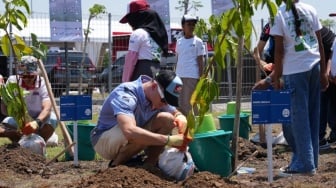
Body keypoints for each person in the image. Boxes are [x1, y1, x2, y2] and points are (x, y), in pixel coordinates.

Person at [254, 0, 328, 176]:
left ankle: (304, 165)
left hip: (295, 71)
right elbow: (319, 44)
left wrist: (276, 77)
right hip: (314, 67)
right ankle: (311, 162)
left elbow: (279, 51)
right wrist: (323, 73)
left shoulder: (278, 14)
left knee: (298, 119)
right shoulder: (310, 9)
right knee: (312, 117)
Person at [90, 70, 190, 167]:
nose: (165, 104)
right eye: (164, 100)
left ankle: (150, 165)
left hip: (128, 134)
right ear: (154, 86)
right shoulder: (126, 94)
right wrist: (168, 140)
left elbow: (174, 112)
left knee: (167, 119)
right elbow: (130, 132)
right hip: (104, 140)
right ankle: (116, 166)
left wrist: (180, 117)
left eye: (169, 101)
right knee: (134, 133)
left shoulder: (157, 95)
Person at [0, 56, 57, 143]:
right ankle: (19, 143)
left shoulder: (43, 82)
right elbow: (4, 109)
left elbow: (47, 107)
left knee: (53, 119)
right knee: (6, 124)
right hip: (19, 119)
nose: (27, 79)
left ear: (36, 74)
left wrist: (37, 122)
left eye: (30, 76)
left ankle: (40, 142)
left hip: (39, 118)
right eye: (24, 76)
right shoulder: (12, 81)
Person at [120, 0, 169, 82]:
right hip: (156, 72)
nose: (129, 23)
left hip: (141, 74)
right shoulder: (158, 35)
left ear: (137, 17)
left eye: (129, 19)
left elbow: (130, 61)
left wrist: (125, 82)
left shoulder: (138, 34)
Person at [175, 14, 205, 116]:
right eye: (189, 24)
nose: (192, 27)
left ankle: (193, 127)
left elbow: (201, 61)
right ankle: (184, 126)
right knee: (179, 102)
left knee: (189, 103)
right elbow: (178, 58)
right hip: (179, 76)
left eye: (193, 24)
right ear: (183, 27)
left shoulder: (198, 42)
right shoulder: (179, 42)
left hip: (191, 76)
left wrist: (201, 79)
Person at [252, 22, 275, 146]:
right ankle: (263, 136)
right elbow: (256, 51)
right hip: (272, 65)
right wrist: (263, 64)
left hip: (289, 65)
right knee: (265, 101)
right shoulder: (269, 26)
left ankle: (289, 134)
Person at [318, 26, 336, 150]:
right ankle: (327, 135)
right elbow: (330, 56)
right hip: (331, 80)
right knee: (328, 107)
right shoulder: (335, 40)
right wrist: (328, 71)